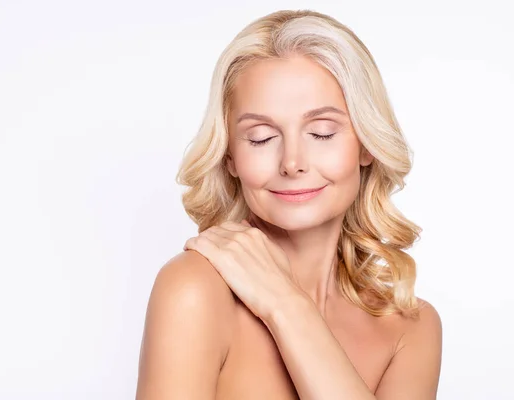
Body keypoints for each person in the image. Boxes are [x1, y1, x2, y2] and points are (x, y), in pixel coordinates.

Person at [136, 9, 442, 400]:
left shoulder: (411, 328)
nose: (292, 162)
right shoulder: (193, 291)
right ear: (229, 155)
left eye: (321, 132)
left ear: (365, 143)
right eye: (261, 137)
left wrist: (286, 306)